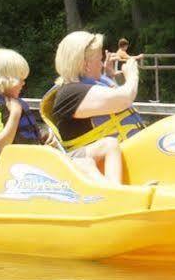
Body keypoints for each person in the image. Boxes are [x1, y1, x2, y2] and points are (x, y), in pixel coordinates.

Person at [40, 31, 146, 185]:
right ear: (85, 64)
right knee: (109, 144)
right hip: (86, 160)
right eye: (99, 59)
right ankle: (114, 194)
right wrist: (132, 75)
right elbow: (124, 99)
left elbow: (112, 101)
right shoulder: (71, 93)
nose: (102, 64)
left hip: (127, 153)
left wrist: (109, 78)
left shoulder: (90, 85)